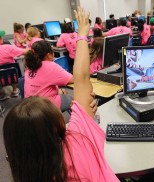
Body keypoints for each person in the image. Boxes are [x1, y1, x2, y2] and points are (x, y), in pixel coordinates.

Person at [3, 7, 119, 181]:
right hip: (57, 92)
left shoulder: (28, 69)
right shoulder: (79, 141)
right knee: (72, 96)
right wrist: (82, 32)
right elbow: (79, 78)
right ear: (58, 125)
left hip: (31, 98)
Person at [24, 40, 73, 111]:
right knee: (74, 100)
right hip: (45, 107)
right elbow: (72, 79)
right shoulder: (50, 66)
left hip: (30, 106)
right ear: (48, 55)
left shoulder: (29, 67)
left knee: (61, 92)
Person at [0, 30, 27, 99]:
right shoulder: (7, 47)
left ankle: (1, 94)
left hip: (1, 79)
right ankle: (15, 90)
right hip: (13, 76)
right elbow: (24, 51)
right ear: (0, 39)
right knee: (12, 69)